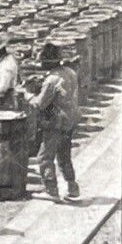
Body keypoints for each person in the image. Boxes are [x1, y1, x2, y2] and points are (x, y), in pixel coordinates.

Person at [33, 42, 81, 201]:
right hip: (70, 118)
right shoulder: (70, 72)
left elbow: (41, 103)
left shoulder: (51, 80)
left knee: (45, 156)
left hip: (55, 121)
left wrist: (28, 96)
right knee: (64, 154)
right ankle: (72, 186)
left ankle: (51, 189)